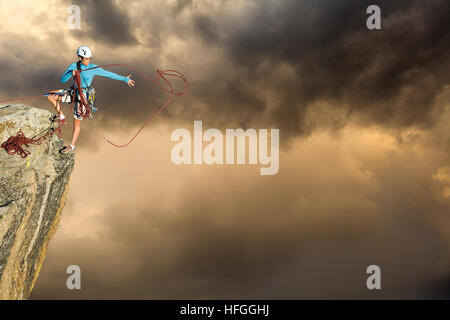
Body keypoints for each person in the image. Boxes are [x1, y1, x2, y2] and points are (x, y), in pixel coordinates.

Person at [47, 45, 135, 154]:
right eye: (86, 59)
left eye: (89, 58)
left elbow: (108, 74)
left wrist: (124, 79)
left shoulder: (93, 68)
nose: (88, 61)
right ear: (80, 58)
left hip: (84, 95)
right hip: (74, 91)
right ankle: (61, 116)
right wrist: (71, 72)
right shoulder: (73, 66)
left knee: (76, 123)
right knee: (50, 96)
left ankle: (72, 146)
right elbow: (62, 80)